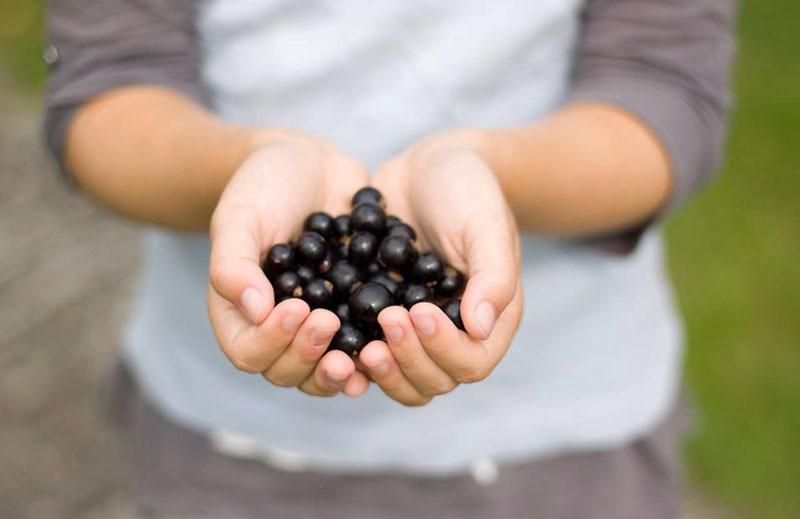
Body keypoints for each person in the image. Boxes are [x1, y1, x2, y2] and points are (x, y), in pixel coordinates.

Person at [44, 1, 737, 517]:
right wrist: (242, 165)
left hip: (566, 437)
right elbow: (108, 88)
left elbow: (666, 91)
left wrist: (493, 169)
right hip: (225, 446)